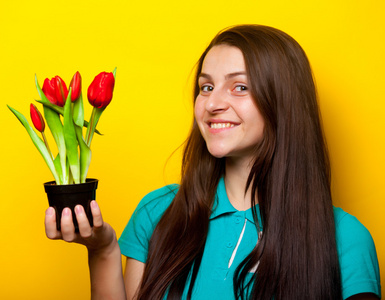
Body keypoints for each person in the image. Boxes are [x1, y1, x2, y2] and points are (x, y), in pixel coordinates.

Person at [45, 25, 381, 300]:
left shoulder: (345, 239)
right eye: (206, 86)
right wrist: (103, 251)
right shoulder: (158, 212)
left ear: (284, 103)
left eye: (240, 86)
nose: (212, 103)